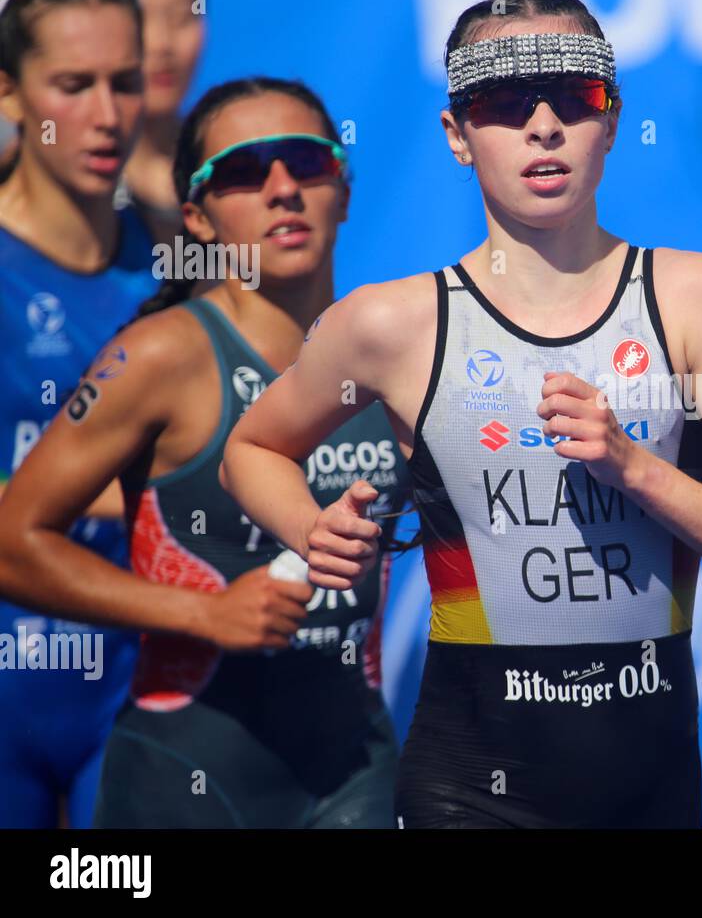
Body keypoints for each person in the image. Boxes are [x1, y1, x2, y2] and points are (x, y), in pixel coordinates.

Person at [221, 0, 702, 829]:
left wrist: (635, 469)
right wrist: (312, 531)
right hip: (467, 791)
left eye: (573, 99)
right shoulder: (393, 323)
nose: (543, 126)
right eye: (505, 103)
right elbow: (251, 449)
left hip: (651, 795)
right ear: (456, 136)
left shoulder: (695, 297)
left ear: (611, 120)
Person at [0, 75, 412, 827]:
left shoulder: (393, 353)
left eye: (305, 161)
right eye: (244, 173)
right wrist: (203, 612)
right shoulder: (161, 358)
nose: (282, 188)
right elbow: (11, 545)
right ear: (198, 217)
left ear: (343, 190)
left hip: (357, 769)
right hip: (184, 774)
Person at [0, 0, 157, 828]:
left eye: (124, 83)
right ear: (10, 92)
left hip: (136, 693)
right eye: (73, 85)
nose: (106, 117)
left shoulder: (181, 264)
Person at [116, 0, 206, 244]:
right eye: (137, 19)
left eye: (182, 17)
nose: (161, 44)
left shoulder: (229, 169)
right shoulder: (52, 177)